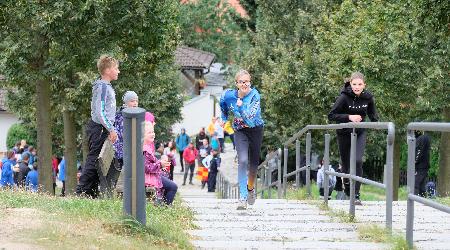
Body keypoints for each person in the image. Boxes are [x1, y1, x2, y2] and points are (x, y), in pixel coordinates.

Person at [328, 72, 379, 206]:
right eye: (354, 84)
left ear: (364, 85)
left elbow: (373, 115)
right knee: (346, 164)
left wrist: (377, 123)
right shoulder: (344, 97)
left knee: (357, 160)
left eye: (360, 84)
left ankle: (356, 194)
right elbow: (332, 115)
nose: (357, 87)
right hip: (344, 133)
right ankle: (347, 187)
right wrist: (349, 117)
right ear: (350, 84)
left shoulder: (368, 98)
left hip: (360, 132)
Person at [220, 69, 264, 210]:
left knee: (253, 165)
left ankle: (250, 188)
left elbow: (250, 120)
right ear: (236, 84)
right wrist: (224, 118)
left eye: (246, 81)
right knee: (243, 160)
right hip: (240, 131)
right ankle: (243, 197)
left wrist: (240, 108)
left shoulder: (255, 96)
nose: (244, 84)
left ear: (250, 82)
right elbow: (223, 105)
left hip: (255, 130)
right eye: (241, 82)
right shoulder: (229, 96)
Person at [76, 55, 119, 198]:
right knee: (94, 159)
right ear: (107, 70)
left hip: (103, 128)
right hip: (99, 128)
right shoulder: (102, 86)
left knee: (98, 161)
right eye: (116, 68)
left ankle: (91, 193)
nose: (118, 71)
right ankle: (81, 191)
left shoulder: (107, 87)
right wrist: (111, 129)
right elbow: (100, 112)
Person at [143, 116, 178, 205]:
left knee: (169, 181)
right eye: (149, 132)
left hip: (151, 175)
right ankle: (165, 208)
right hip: (147, 177)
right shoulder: (144, 149)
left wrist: (160, 163)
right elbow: (146, 167)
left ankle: (163, 205)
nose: (153, 134)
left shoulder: (147, 146)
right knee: (172, 187)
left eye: (153, 132)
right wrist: (160, 165)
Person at [112, 91, 139, 190]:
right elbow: (126, 135)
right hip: (122, 151)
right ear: (126, 103)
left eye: (136, 101)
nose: (135, 103)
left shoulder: (131, 114)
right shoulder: (124, 116)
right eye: (132, 101)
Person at [414, 131, 431, 197]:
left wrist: (415, 161)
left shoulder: (421, 138)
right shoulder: (426, 137)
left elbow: (419, 151)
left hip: (421, 165)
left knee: (416, 184)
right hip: (424, 164)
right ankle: (423, 201)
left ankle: (414, 201)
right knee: (421, 186)